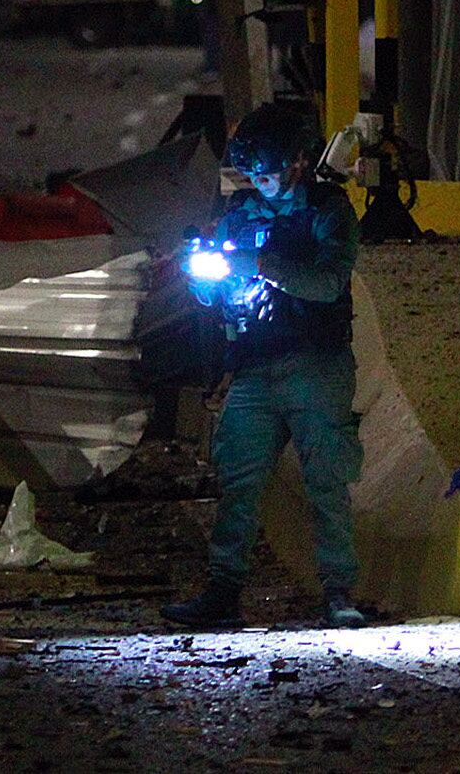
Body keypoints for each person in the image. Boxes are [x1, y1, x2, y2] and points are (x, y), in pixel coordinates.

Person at [162, 102, 366, 630]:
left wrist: (263, 266)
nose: (259, 181)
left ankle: (339, 592)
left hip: (316, 366)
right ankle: (223, 591)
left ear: (298, 162)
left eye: (267, 172)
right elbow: (221, 291)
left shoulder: (328, 211)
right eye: (251, 173)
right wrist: (207, 285)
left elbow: (327, 284)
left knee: (326, 480)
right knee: (238, 481)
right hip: (254, 366)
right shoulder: (242, 213)